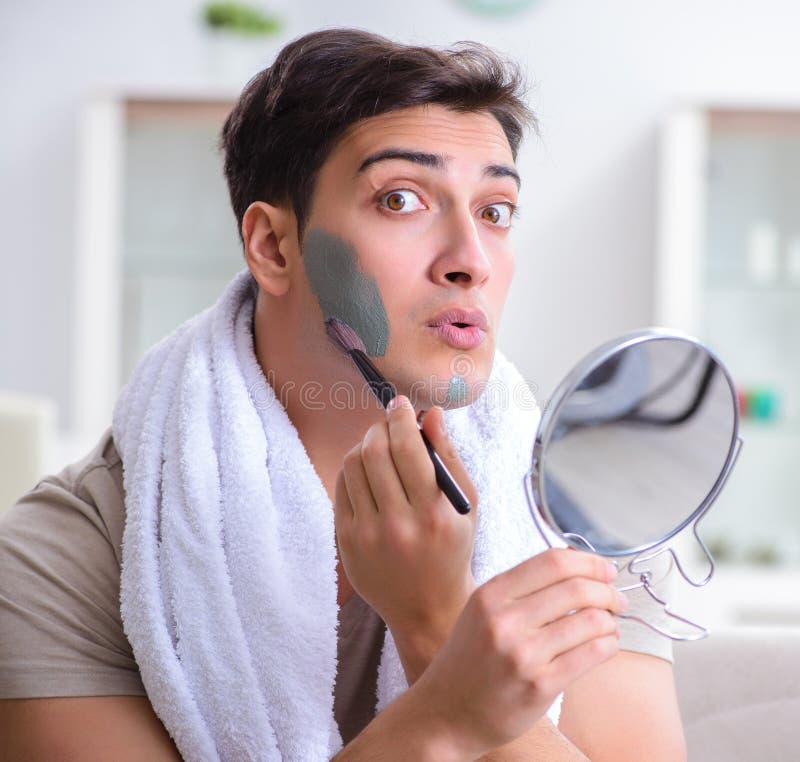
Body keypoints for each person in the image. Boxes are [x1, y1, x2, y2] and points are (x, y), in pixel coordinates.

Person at [0, 29, 686, 761]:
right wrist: (447, 707)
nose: (471, 260)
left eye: (495, 211)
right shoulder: (62, 561)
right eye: (401, 199)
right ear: (273, 247)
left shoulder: (591, 521)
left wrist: (433, 624)